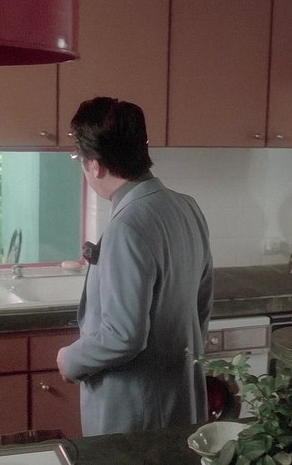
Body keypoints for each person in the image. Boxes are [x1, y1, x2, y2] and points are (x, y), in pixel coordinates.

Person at [56, 97, 214, 436]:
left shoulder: (127, 226)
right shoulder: (186, 207)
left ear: (94, 164)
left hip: (136, 410)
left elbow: (123, 336)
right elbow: (202, 304)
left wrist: (71, 359)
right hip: (180, 395)